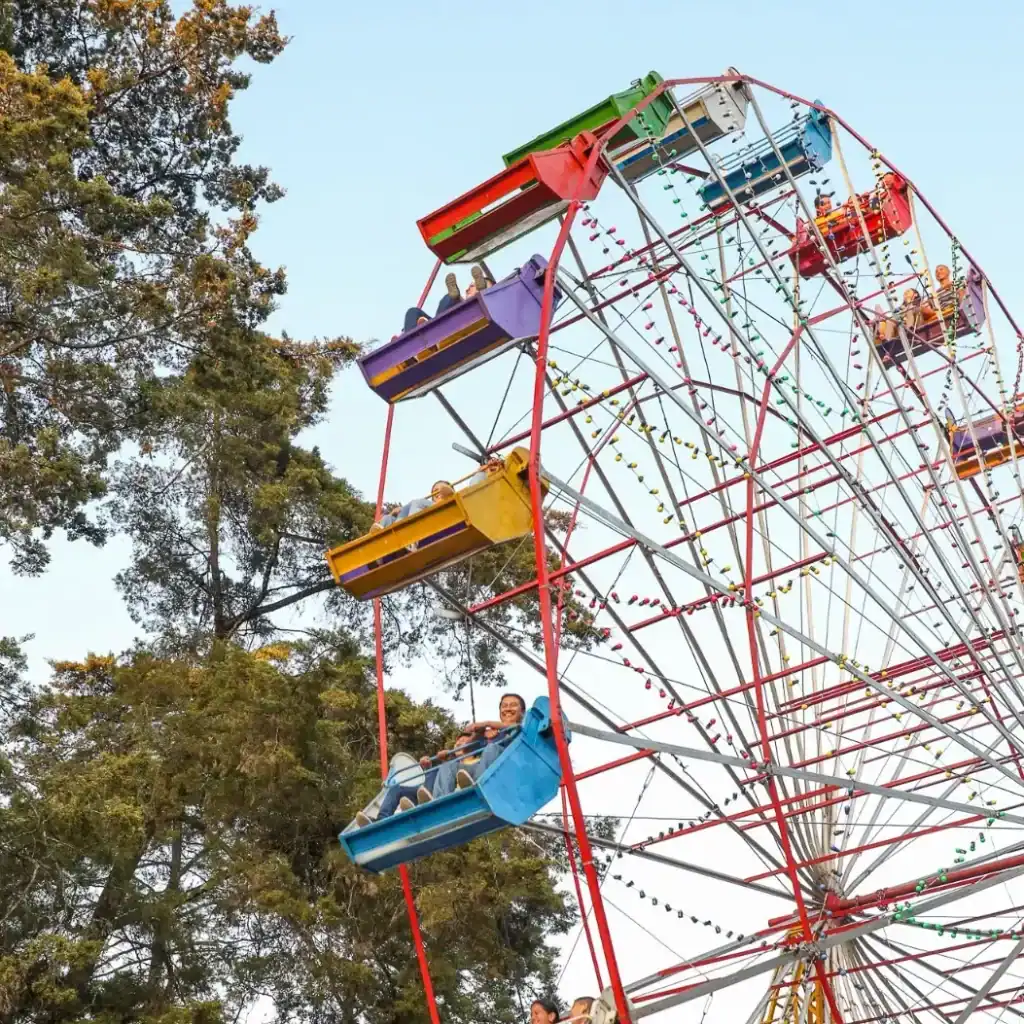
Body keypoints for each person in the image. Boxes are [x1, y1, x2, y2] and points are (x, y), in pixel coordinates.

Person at [353, 730, 477, 828]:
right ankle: (381, 819)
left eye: (463, 741)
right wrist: (427, 767)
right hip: (428, 794)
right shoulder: (448, 764)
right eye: (457, 742)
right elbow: (437, 778)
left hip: (445, 795)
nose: (459, 743)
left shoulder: (475, 761)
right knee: (397, 788)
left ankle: (427, 801)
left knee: (438, 769)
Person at [427, 693, 527, 799]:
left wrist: (486, 724)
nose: (508, 709)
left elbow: (516, 726)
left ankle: (477, 789)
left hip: (506, 769)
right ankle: (440, 799)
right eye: (504, 706)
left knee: (492, 748)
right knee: (448, 766)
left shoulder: (524, 727)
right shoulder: (493, 733)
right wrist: (479, 733)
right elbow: (466, 749)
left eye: (513, 705)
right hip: (481, 769)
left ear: (523, 712)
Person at [370, 479, 455, 531]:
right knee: (388, 518)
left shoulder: (452, 501)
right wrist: (396, 513)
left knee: (416, 503)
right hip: (426, 519)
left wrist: (445, 494)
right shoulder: (428, 506)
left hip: (440, 518)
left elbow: (450, 493)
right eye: (434, 492)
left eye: (438, 490)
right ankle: (380, 532)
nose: (435, 493)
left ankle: (408, 529)